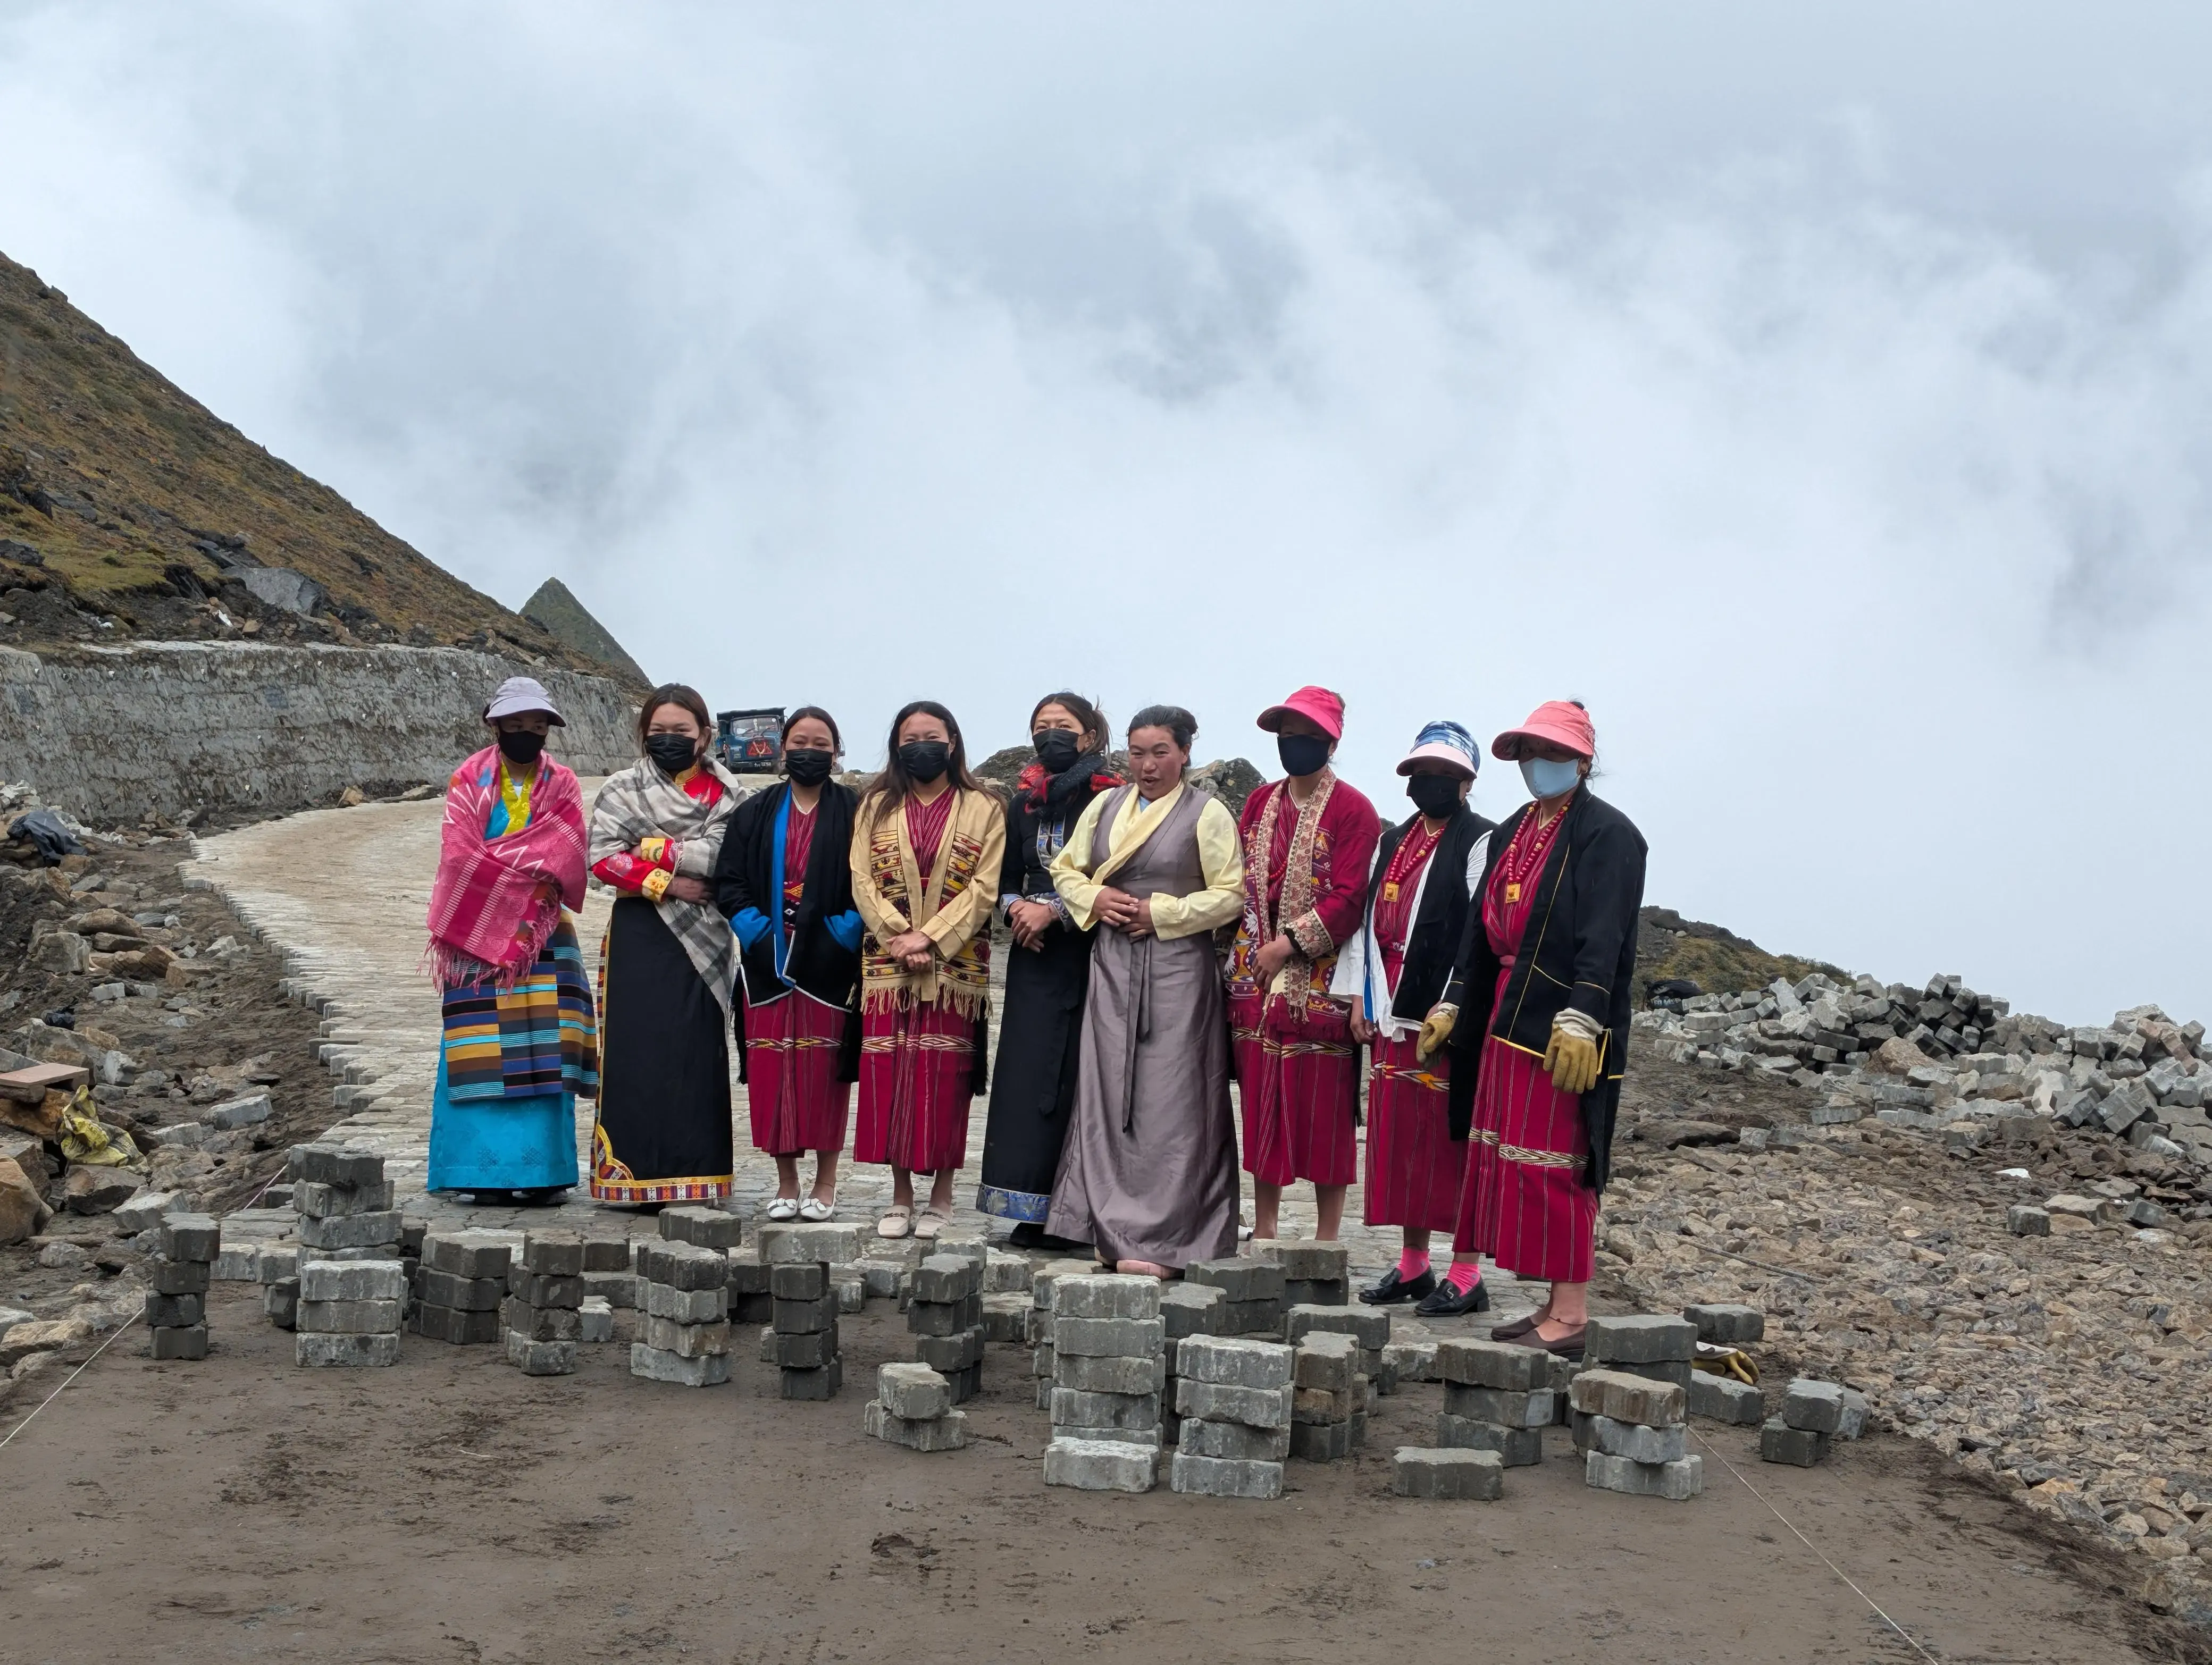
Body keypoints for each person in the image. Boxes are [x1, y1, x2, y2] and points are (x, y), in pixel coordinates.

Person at [1426, 700, 1646, 1358]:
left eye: (1552, 753)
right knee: (1506, 1156)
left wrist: (1583, 1015)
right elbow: (1477, 927)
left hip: (1562, 1023)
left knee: (1558, 1163)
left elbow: (1604, 936)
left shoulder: (1609, 834)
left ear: (1582, 760)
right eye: (1529, 754)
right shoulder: (1514, 829)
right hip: (1504, 1011)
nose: (1538, 766)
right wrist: (1453, 1002)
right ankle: (1550, 1301)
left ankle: (1573, 1313)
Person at [1046, 706, 1245, 1275]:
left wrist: (1165, 912)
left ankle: (1172, 1240)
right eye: (1137, 752)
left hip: (1178, 968)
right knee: (1109, 1093)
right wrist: (1093, 899)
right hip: (1111, 963)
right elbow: (1065, 869)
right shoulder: (1105, 806)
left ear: (1185, 753)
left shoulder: (1205, 813)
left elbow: (1230, 894)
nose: (1147, 765)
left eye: (1160, 752)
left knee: (1174, 1100)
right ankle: (1110, 1231)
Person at [1331, 721, 1497, 1313]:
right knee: (1402, 1142)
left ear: (1465, 780)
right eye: (1425, 772)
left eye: (1446, 774)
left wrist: (1453, 1001)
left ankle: (1467, 1270)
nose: (1433, 782)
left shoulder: (1481, 840)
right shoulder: (1392, 840)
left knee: (1453, 1140)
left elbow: (1479, 927)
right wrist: (1357, 996)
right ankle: (1413, 1264)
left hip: (1444, 1009)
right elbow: (1362, 922)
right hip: (1390, 1002)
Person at [424, 677, 598, 1206]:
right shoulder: (468, 779)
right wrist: (518, 879)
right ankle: (475, 1170)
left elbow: (566, 854)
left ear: (548, 729)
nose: (527, 733)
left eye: (536, 726)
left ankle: (542, 1171)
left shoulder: (563, 782)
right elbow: (458, 856)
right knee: (475, 1046)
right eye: (516, 725)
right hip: (477, 936)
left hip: (541, 937)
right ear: (495, 726)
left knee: (546, 1045)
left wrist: (501, 873)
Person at [1225, 685, 1380, 1242]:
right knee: (1261, 1104)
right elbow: (1241, 875)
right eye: (1287, 737)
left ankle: (1325, 1235)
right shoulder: (1259, 802)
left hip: (1319, 978)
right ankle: (1264, 1227)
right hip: (1254, 976)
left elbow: (1349, 896)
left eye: (1308, 737)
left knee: (1324, 1112)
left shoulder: (1353, 809)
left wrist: (1288, 944)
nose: (1295, 746)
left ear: (1330, 742)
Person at [850, 701, 1007, 1241]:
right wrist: (898, 936)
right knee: (890, 1077)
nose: (921, 745)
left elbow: (985, 886)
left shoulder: (983, 806)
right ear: (896, 745)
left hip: (954, 966)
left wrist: (932, 938)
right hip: (888, 968)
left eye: (931, 735)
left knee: (944, 1080)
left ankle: (941, 1194)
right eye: (910, 736)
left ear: (953, 742)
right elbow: (861, 878)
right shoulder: (875, 805)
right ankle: (899, 1195)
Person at [585, 684, 747, 1206]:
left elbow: (727, 857)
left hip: (705, 938)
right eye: (659, 732)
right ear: (643, 735)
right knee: (638, 1050)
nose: (670, 740)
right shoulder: (620, 789)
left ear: (703, 735)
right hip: (640, 932)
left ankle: (697, 1175)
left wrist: (651, 848)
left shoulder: (729, 797)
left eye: (681, 731)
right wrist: (668, 881)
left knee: (694, 1051)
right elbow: (603, 858)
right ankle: (631, 1178)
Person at [977, 693, 1122, 1248]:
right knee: (1026, 1074)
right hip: (1029, 951)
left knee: (1077, 1075)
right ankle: (1030, 1202)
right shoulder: (1023, 804)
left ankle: (1078, 1209)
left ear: (1089, 736)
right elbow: (1009, 873)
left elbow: (1112, 873)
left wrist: (1054, 912)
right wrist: (1017, 908)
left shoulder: (1111, 801)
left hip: (1084, 950)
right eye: (1041, 727)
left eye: (1062, 726)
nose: (1050, 735)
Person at [714, 707, 864, 1222]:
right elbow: (728, 881)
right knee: (773, 1068)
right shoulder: (755, 812)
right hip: (766, 960)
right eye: (800, 741)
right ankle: (785, 1181)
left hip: (830, 958)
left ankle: (824, 1183)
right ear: (782, 750)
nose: (809, 751)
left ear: (836, 752)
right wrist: (755, 930)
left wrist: (845, 930)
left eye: (821, 743)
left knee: (825, 1071)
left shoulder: (854, 810)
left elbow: (870, 877)